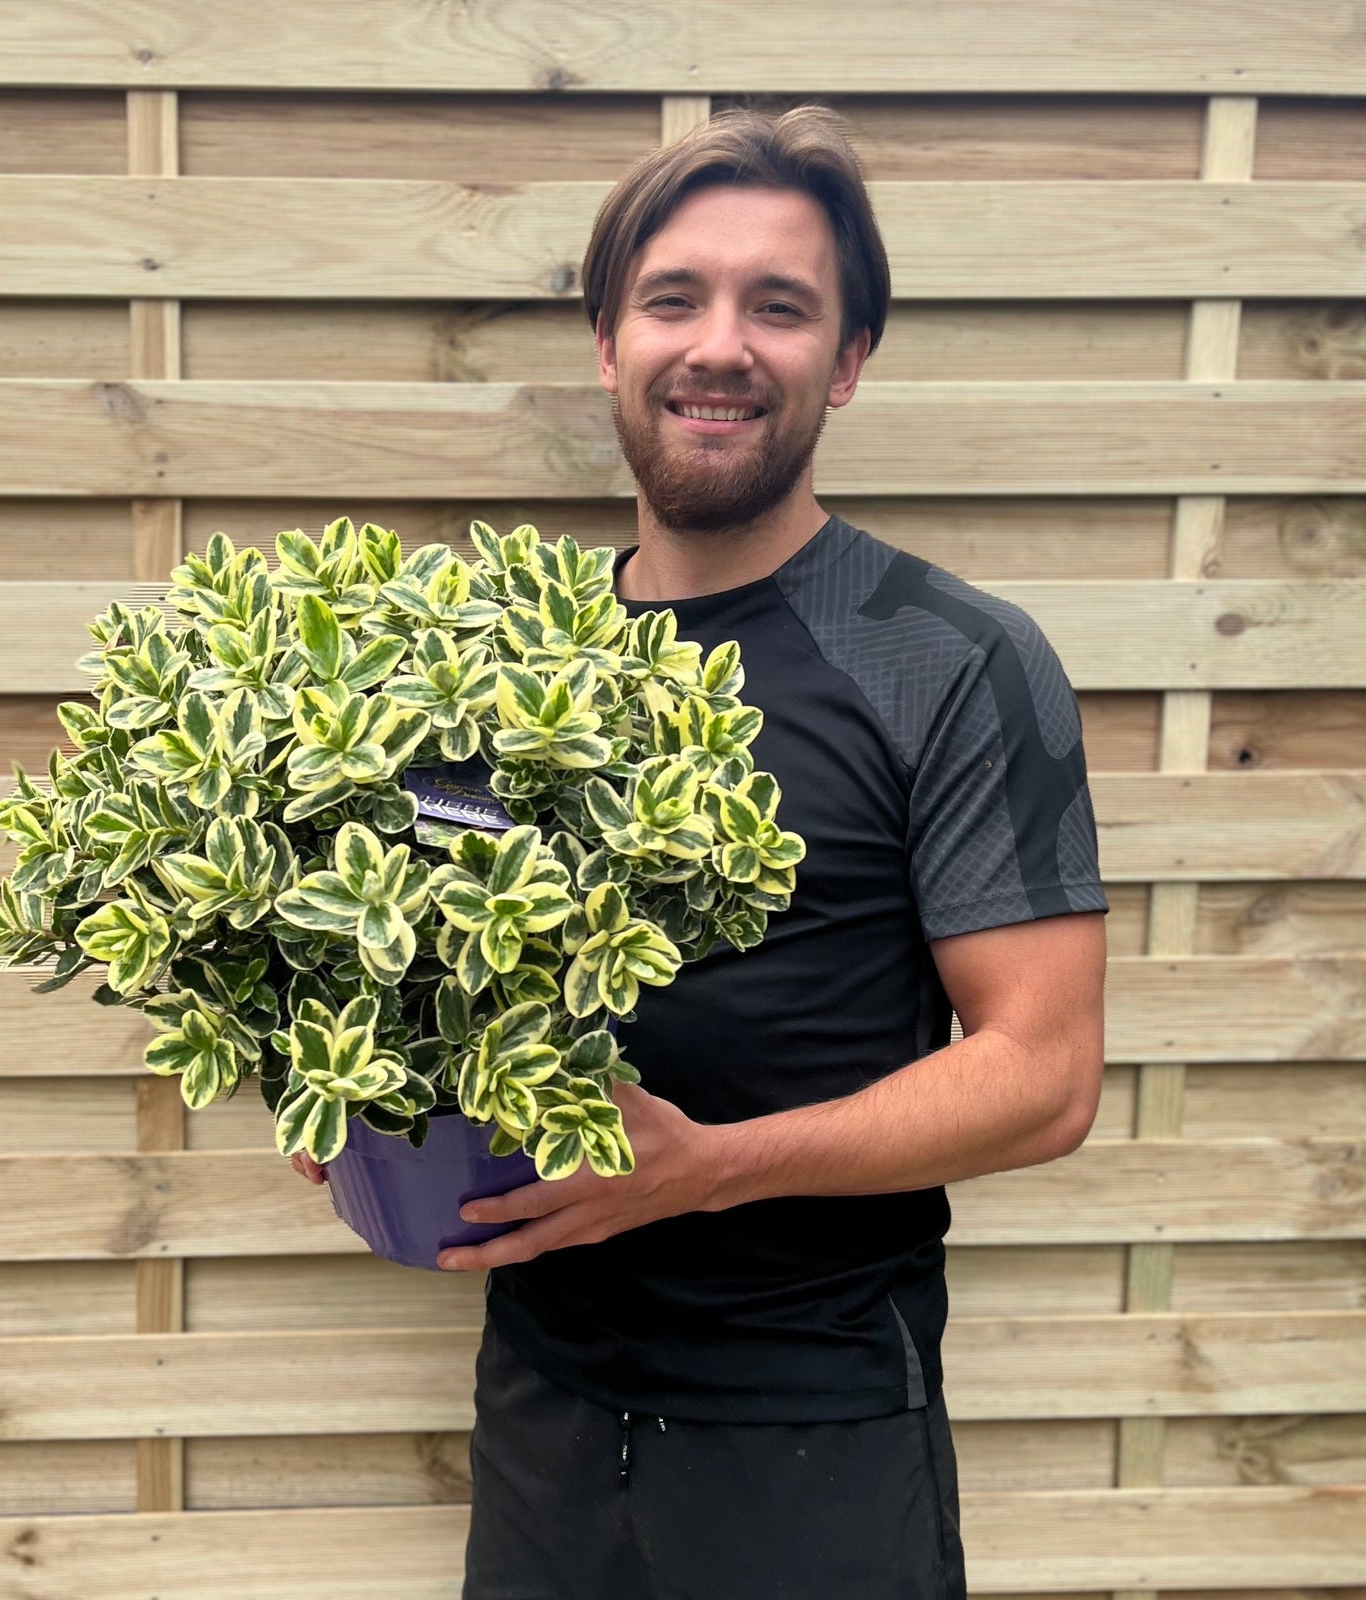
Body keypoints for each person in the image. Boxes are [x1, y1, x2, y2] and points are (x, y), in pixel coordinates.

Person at [295, 105, 1109, 1600]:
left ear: (849, 360)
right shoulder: (498, 661)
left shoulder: (950, 659)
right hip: (540, 1418)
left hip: (814, 1434)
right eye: (673, 298)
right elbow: (428, 948)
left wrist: (710, 1169)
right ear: (610, 346)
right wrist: (355, 1092)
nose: (719, 345)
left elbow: (1044, 1076)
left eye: (779, 306)